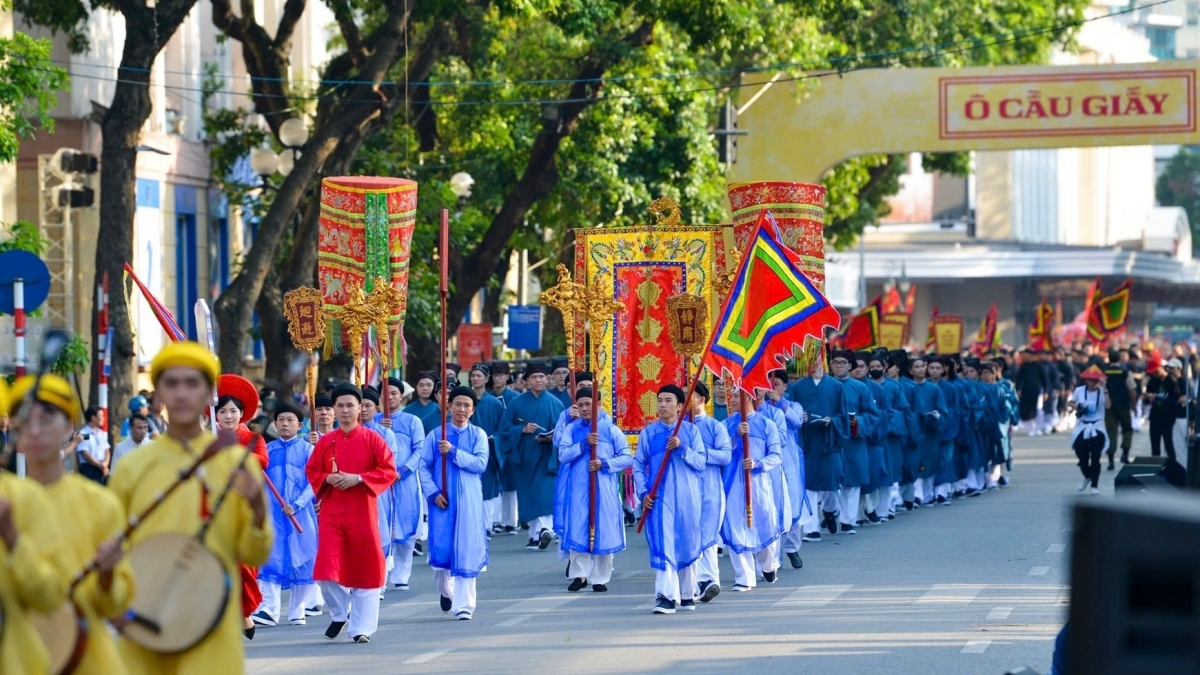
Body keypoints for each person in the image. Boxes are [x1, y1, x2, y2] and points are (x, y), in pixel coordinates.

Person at [107, 341, 272, 674]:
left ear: (206, 394)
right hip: (149, 616)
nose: (181, 393)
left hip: (213, 627)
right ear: (159, 395)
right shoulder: (132, 467)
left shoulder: (237, 466)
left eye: (192, 383)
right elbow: (115, 547)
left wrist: (256, 508)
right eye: (171, 383)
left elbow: (255, 553)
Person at [12, 374, 132, 675]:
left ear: (69, 427)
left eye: (47, 418)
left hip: (90, 660)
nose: (36, 430)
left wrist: (107, 576)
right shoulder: (6, 501)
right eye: (26, 421)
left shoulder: (101, 504)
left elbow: (118, 603)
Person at [306, 383, 397, 643]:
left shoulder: (373, 439)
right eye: (340, 406)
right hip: (332, 512)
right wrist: (328, 479)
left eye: (350, 405)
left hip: (363, 511)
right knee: (325, 570)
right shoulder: (325, 442)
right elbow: (312, 472)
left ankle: (361, 628)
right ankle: (340, 610)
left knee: (365, 567)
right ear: (334, 410)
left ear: (360, 408)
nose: (345, 410)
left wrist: (358, 478)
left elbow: (389, 471)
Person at [633, 384, 705, 615]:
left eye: (668, 401)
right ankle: (665, 596)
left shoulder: (691, 432)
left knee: (686, 543)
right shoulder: (649, 433)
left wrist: (683, 448)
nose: (662, 405)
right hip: (660, 498)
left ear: (681, 406)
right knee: (664, 545)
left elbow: (701, 462)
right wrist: (644, 492)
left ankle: (686, 594)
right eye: (660, 400)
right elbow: (637, 465)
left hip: (687, 497)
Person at [419, 386, 489, 620]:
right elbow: (423, 466)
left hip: (468, 501)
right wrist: (432, 493)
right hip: (443, 502)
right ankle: (447, 592)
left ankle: (465, 606)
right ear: (449, 407)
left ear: (472, 410)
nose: (461, 409)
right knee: (442, 557)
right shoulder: (436, 435)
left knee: (466, 551)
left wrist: (454, 452)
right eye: (457, 404)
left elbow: (480, 464)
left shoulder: (478, 435)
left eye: (466, 405)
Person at [555, 387, 633, 593]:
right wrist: (583, 444)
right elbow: (562, 455)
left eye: (588, 404)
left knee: (603, 529)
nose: (584, 408)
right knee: (578, 527)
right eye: (580, 405)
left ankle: (599, 577)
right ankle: (579, 575)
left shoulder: (610, 429)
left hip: (604, 488)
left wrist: (604, 463)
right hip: (578, 488)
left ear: (597, 404)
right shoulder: (571, 430)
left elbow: (626, 457)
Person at [252, 403, 319, 628]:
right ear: (274, 423)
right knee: (270, 559)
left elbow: (314, 482)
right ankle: (269, 610)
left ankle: (297, 610)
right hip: (273, 515)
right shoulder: (267, 451)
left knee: (304, 559)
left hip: (301, 515)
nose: (284, 424)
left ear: (300, 425)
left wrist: (297, 504)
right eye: (280, 419)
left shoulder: (309, 450)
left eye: (290, 420)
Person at [215, 374, 271, 638]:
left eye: (233, 411)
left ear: (241, 414)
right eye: (223, 411)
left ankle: (245, 613)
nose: (228, 416)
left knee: (244, 565)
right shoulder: (207, 438)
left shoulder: (252, 438)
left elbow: (262, 461)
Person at [721, 387, 784, 592]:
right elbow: (721, 453)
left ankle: (768, 564)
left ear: (748, 397)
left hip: (759, 483)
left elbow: (776, 455)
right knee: (735, 526)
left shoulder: (767, 424)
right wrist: (734, 435)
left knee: (765, 523)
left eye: (737, 395)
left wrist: (757, 463)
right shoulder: (725, 425)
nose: (732, 398)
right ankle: (744, 577)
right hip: (733, 484)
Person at [499, 363, 564, 550]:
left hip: (547, 457)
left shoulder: (555, 403)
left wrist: (551, 438)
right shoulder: (516, 403)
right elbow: (504, 430)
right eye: (534, 377)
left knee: (544, 492)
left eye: (541, 377)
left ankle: (545, 530)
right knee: (529, 494)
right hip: (525, 456)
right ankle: (535, 535)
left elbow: (562, 433)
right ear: (527, 381)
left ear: (547, 379)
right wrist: (521, 430)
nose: (538, 380)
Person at [788, 353, 848, 543]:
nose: (815, 365)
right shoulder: (798, 387)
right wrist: (800, 417)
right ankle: (811, 529)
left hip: (827, 439)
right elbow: (792, 410)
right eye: (811, 361)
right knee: (809, 485)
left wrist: (833, 420)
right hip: (807, 440)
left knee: (830, 485)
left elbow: (843, 415)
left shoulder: (836, 386)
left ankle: (831, 511)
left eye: (818, 360)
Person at [376, 380, 424, 592]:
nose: (390, 397)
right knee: (383, 525)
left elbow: (419, 450)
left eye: (394, 393)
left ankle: (402, 574)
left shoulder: (412, 421)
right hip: (381, 481)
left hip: (405, 480)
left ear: (402, 396)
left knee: (405, 523)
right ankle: (382, 572)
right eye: (385, 394)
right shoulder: (374, 421)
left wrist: (402, 471)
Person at [689, 380, 731, 602]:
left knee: (709, 535)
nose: (685, 401)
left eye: (690, 396)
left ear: (702, 399)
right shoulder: (679, 428)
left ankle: (709, 580)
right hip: (686, 490)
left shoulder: (715, 426)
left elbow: (725, 456)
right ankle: (695, 583)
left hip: (711, 489)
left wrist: (701, 452)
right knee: (690, 535)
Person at [358, 386, 400, 600]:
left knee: (380, 535)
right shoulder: (346, 433)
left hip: (379, 493)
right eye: (361, 405)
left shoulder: (386, 434)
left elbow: (390, 467)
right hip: (353, 494)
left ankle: (379, 582)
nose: (363, 410)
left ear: (376, 408)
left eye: (368, 406)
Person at [829, 349, 878, 534]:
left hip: (854, 440)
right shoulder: (825, 386)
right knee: (830, 481)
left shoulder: (860, 388)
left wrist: (858, 421)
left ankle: (848, 520)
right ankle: (830, 512)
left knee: (852, 482)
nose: (839, 366)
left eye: (843, 362)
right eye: (836, 362)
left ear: (850, 365)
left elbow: (872, 414)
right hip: (831, 439)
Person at [765, 369, 805, 564]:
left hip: (789, 461)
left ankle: (792, 547)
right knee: (774, 505)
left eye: (777, 385)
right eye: (770, 384)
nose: (772, 388)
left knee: (793, 503)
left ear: (785, 387)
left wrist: (780, 403)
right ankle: (775, 555)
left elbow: (797, 421)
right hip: (770, 462)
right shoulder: (761, 407)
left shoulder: (793, 405)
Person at [466, 364, 506, 535]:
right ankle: (473, 526)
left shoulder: (495, 404)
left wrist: (493, 438)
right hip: (467, 452)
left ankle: (486, 526)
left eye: (479, 375)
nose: (475, 378)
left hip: (489, 451)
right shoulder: (465, 401)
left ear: (486, 378)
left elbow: (503, 429)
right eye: (473, 375)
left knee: (488, 488)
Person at [908, 355, 947, 508]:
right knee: (914, 461)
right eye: (916, 367)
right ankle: (916, 495)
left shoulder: (934, 389)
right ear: (911, 370)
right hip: (914, 430)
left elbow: (943, 410)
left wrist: (936, 417)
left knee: (930, 461)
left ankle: (929, 494)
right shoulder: (907, 388)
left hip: (930, 432)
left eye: (922, 366)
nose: (920, 369)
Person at [1069, 366, 1111, 495]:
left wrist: (1105, 389)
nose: (1093, 383)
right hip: (1083, 424)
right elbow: (1071, 402)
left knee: (1095, 456)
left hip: (1097, 425)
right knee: (1081, 454)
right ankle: (1087, 476)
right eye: (1091, 380)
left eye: (1096, 381)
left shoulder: (1102, 392)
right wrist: (1077, 407)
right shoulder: (1080, 391)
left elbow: (1108, 406)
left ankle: (1094, 484)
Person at [1103, 350, 1136, 469]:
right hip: (1124, 406)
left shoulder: (1104, 372)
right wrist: (1134, 405)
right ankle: (1125, 455)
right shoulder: (1125, 372)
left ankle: (1111, 461)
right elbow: (1131, 390)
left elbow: (1101, 389)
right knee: (1127, 430)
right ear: (1119, 359)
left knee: (1111, 433)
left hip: (1109, 407)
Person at [1145, 357, 1181, 461]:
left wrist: (1157, 397)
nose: (1155, 374)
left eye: (1156, 371)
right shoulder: (1152, 381)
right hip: (1155, 416)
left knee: (1169, 446)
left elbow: (1175, 401)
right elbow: (1148, 398)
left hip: (1168, 418)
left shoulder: (1171, 381)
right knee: (1155, 447)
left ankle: (1172, 470)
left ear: (1161, 368)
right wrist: (1147, 398)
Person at [74, 406, 111, 484]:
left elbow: (107, 450)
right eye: (101, 416)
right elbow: (85, 454)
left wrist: (105, 464)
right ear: (93, 417)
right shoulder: (83, 433)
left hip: (103, 468)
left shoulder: (101, 433)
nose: (103, 418)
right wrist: (100, 465)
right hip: (90, 469)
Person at [1014, 350, 1047, 436]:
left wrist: (1046, 391)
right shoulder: (1024, 366)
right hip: (1026, 390)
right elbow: (1019, 379)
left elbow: (1045, 379)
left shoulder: (1038, 366)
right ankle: (1031, 428)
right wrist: (1018, 389)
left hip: (1036, 390)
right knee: (1027, 409)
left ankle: (1038, 427)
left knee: (1037, 409)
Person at [406, 372, 444, 437]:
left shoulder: (441, 409)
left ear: (434, 387)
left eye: (429, 385)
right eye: (421, 385)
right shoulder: (407, 410)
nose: (425, 388)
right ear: (416, 387)